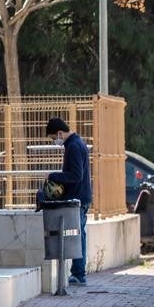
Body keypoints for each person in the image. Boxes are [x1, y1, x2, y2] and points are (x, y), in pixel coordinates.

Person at [46, 117, 92, 285]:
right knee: (80, 235)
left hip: (78, 198)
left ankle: (79, 274)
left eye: (53, 138)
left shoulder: (73, 146)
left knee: (78, 236)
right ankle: (78, 273)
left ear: (60, 133)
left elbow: (76, 175)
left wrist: (53, 176)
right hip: (82, 196)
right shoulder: (76, 143)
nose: (54, 142)